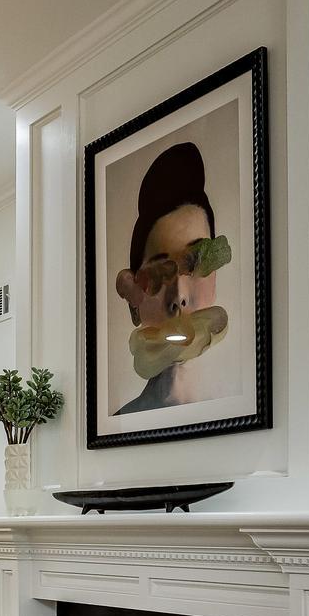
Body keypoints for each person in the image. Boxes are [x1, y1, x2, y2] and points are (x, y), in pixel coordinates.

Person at [112, 141, 233, 415]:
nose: (179, 295)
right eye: (158, 275)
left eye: (197, 263)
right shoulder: (124, 420)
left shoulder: (232, 403)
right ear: (134, 301)